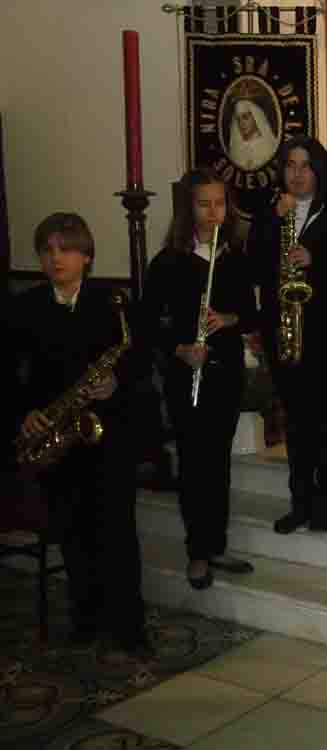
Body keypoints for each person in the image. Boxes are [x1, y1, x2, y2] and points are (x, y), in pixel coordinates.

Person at [10, 213, 148, 654]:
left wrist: (117, 382)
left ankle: (129, 626)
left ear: (86, 256)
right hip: (57, 436)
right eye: (47, 250)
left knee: (118, 535)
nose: (56, 258)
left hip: (107, 435)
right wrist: (24, 413)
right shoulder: (25, 306)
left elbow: (141, 361)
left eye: (66, 249)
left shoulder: (113, 302)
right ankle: (85, 620)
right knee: (73, 535)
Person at [142, 168, 257, 590]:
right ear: (188, 209)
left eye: (220, 203)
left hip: (224, 373)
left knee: (218, 461)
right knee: (193, 463)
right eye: (204, 204)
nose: (213, 212)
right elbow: (147, 325)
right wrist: (181, 349)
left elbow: (251, 314)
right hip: (185, 373)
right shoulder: (168, 262)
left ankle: (216, 544)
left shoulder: (235, 258)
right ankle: (197, 552)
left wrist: (227, 319)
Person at [247, 135, 327, 534]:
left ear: (318, 171)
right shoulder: (270, 214)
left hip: (325, 335)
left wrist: (315, 259)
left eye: (305, 165)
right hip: (284, 331)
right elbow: (253, 267)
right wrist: (272, 221)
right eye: (290, 165)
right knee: (296, 423)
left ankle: (325, 504)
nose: (297, 174)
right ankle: (300, 503)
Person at [228, 98, 280, 171]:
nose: (241, 123)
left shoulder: (269, 144)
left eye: (245, 117)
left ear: (255, 117)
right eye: (238, 120)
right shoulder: (236, 148)